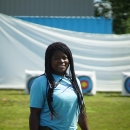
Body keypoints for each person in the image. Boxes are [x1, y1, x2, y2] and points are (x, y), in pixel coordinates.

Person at [29, 42, 89, 130]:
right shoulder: (40, 82)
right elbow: (34, 114)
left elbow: (80, 112)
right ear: (49, 60)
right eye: (56, 58)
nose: (61, 61)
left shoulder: (75, 81)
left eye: (64, 58)